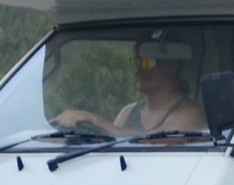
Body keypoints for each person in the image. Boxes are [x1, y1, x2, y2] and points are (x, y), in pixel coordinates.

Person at [53, 37, 207, 136]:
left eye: (147, 61)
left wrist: (94, 120)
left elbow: (155, 145)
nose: (138, 68)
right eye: (136, 61)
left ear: (171, 66)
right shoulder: (128, 112)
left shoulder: (191, 114)